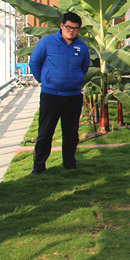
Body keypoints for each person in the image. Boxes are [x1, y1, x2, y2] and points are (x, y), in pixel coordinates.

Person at [29, 11, 91, 175]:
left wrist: (75, 80)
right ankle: (38, 166)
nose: (71, 31)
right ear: (62, 26)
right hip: (51, 95)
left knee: (71, 133)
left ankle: (69, 163)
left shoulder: (82, 47)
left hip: (73, 96)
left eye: (75, 28)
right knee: (45, 132)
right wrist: (45, 80)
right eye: (68, 27)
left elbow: (84, 67)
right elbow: (34, 63)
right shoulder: (46, 42)